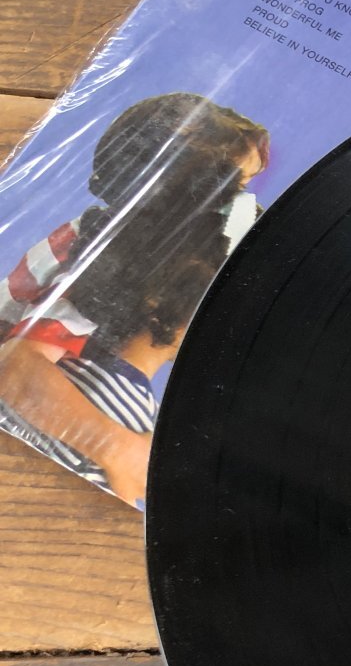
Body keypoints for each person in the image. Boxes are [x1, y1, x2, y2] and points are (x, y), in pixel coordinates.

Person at [0, 93, 268, 503]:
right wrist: (118, 448)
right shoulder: (113, 252)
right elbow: (18, 369)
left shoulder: (117, 240)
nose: (238, 204)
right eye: (231, 186)